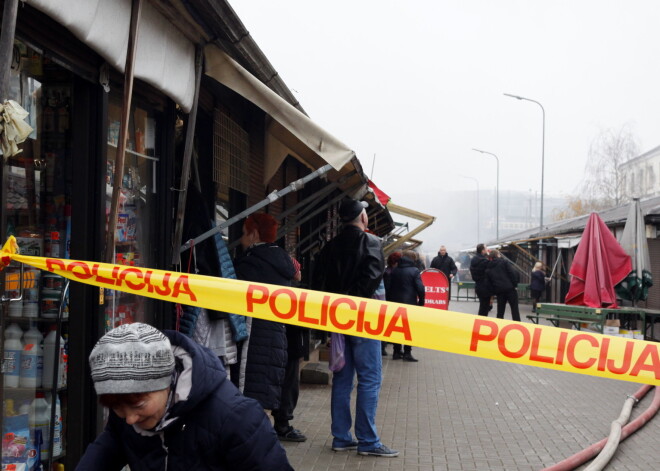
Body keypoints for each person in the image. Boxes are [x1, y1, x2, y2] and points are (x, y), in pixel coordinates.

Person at [76, 322, 293, 470]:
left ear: (167, 381)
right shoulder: (125, 416)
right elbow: (101, 456)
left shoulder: (237, 418)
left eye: (139, 405)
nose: (130, 418)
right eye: (118, 408)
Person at [312, 198, 399, 458]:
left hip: (337, 320)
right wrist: (353, 309)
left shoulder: (329, 247)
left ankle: (341, 437)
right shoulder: (372, 243)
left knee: (342, 378)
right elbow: (372, 279)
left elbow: (319, 283)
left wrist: (337, 313)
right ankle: (368, 441)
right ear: (362, 217)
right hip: (363, 319)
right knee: (370, 379)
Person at [233, 213, 304, 441]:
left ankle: (253, 440)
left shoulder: (250, 262)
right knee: (267, 383)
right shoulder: (283, 260)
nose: (242, 239)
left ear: (254, 234)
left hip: (253, 334)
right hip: (278, 333)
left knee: (250, 386)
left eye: (244, 233)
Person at [271, 256, 308, 442]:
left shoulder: (271, 287)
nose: (301, 273)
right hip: (291, 346)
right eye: (298, 270)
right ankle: (282, 425)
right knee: (288, 384)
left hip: (273, 344)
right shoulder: (296, 294)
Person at [384, 250, 425, 362]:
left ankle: (396, 352)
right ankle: (407, 353)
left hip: (394, 302)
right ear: (412, 259)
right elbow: (420, 288)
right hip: (409, 303)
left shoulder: (394, 270)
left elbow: (388, 287)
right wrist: (421, 301)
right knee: (408, 329)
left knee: (396, 327)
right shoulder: (414, 270)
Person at [485, 249, 521, 322]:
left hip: (499, 291)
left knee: (500, 310)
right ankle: (517, 325)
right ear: (497, 255)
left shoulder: (489, 266)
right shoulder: (504, 262)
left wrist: (494, 291)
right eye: (499, 254)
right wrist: (515, 285)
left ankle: (499, 325)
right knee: (514, 309)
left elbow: (489, 280)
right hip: (510, 289)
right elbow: (513, 273)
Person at [381, 251, 402, 356]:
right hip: (391, 301)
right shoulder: (393, 273)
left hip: (387, 301)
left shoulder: (386, 271)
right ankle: (386, 348)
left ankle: (383, 347)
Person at [469, 243, 492, 316]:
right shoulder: (483, 261)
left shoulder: (474, 259)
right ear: (482, 251)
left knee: (483, 306)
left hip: (478, 285)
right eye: (486, 249)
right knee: (484, 308)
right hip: (485, 286)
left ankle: (481, 322)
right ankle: (482, 323)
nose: (487, 250)